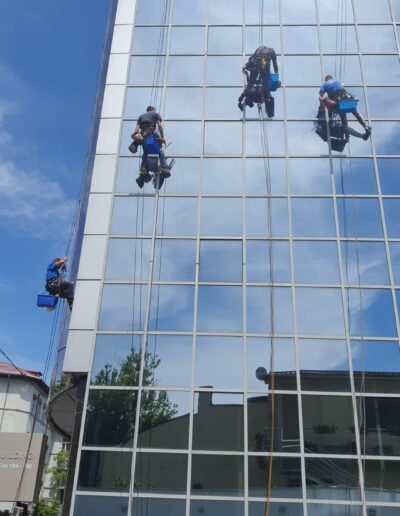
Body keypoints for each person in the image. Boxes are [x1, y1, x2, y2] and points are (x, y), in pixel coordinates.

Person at [319, 75, 371, 143]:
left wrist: (322, 107)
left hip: (338, 101)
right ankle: (366, 126)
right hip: (346, 97)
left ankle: (346, 138)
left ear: (326, 80)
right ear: (331, 78)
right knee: (355, 112)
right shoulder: (337, 81)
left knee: (344, 121)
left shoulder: (324, 85)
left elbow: (320, 97)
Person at [133, 106, 170, 187]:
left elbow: (136, 130)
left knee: (146, 152)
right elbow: (159, 126)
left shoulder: (141, 116)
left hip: (143, 138)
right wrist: (162, 137)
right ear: (153, 110)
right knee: (160, 151)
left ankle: (143, 168)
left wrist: (135, 137)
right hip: (150, 136)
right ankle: (164, 167)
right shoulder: (155, 114)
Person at [238, 46, 279, 111]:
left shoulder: (260, 48)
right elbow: (275, 65)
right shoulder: (272, 51)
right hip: (264, 63)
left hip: (255, 63)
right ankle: (269, 99)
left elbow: (252, 58)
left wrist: (246, 65)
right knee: (266, 85)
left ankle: (241, 97)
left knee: (250, 84)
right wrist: (276, 75)